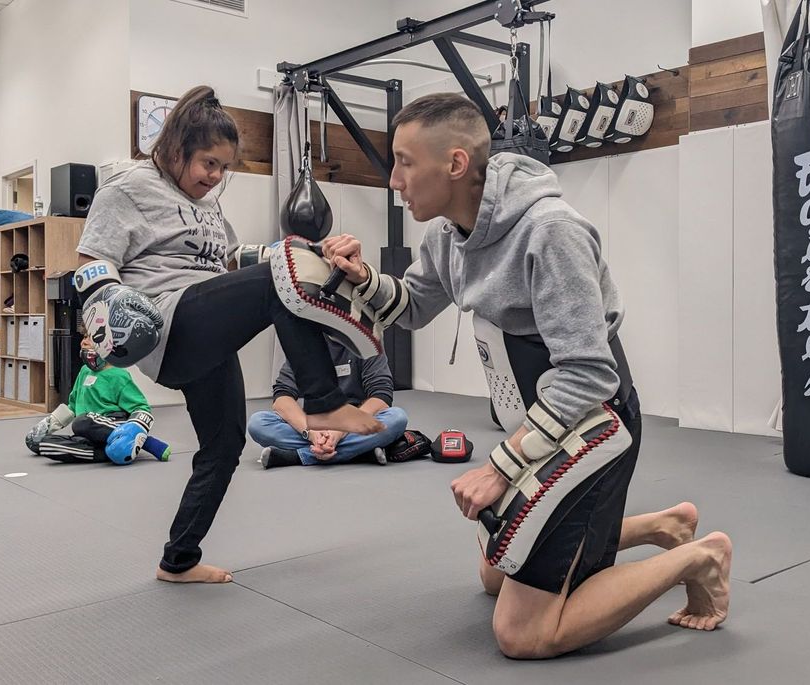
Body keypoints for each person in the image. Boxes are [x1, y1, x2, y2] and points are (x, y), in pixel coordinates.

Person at [319, 93, 732, 658]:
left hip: (596, 423)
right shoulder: (446, 236)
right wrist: (359, 275)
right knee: (494, 577)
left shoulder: (550, 232)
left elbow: (589, 375)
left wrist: (500, 466)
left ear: (456, 164)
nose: (394, 180)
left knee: (522, 633)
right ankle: (660, 526)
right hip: (540, 420)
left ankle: (697, 556)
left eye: (405, 162)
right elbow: (411, 306)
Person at [74, 85, 383, 585]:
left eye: (223, 168)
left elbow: (235, 261)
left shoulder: (209, 206)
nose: (215, 177)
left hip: (204, 331)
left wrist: (308, 249)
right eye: (208, 164)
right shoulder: (128, 189)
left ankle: (179, 560)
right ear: (176, 151)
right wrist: (104, 316)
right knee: (281, 280)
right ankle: (322, 400)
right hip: (166, 321)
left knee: (223, 448)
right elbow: (90, 262)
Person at [248, 337, 408, 468]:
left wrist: (340, 431)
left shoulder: (367, 341)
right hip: (315, 423)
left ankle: (298, 456)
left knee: (397, 418)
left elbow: (381, 396)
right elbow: (282, 398)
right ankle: (359, 452)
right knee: (258, 423)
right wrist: (311, 433)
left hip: (355, 423)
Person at [24, 334, 171, 464]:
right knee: (42, 445)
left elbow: (141, 408)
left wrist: (136, 428)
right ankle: (108, 452)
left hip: (107, 421)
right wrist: (47, 425)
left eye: (90, 337)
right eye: (84, 336)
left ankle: (143, 441)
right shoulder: (84, 371)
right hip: (87, 434)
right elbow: (73, 406)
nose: (84, 341)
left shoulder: (118, 375)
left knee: (82, 422)